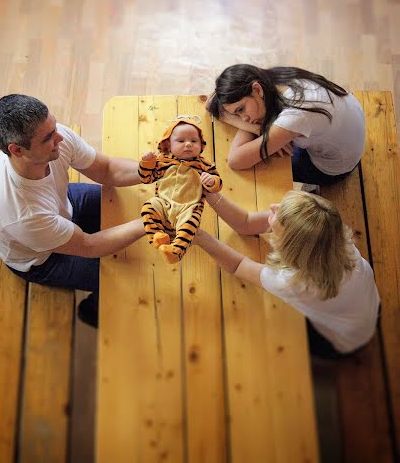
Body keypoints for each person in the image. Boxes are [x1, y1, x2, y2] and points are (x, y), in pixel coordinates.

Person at [0, 94, 145, 328]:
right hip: (41, 257)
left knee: (128, 206)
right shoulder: (22, 213)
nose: (60, 136)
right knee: (121, 277)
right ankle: (93, 311)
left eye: (54, 126)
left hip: (62, 206)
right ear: (17, 150)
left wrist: (152, 169)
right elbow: (89, 246)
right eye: (48, 137)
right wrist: (148, 221)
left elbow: (107, 169)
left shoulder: (54, 136)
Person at [195, 188, 380, 358]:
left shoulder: (295, 283)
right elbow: (245, 223)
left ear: (288, 242)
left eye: (277, 217)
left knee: (267, 330)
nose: (272, 207)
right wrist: (211, 195)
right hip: (367, 309)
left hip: (342, 341)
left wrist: (201, 237)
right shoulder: (329, 233)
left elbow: (238, 266)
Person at [206, 64, 365, 185]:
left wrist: (234, 120)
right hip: (348, 130)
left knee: (266, 168)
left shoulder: (297, 115)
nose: (243, 118)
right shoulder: (270, 78)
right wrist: (258, 128)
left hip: (334, 167)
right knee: (267, 142)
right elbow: (211, 102)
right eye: (236, 114)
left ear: (257, 89)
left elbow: (235, 160)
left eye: (241, 109)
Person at [139, 117, 222, 264]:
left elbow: (218, 183)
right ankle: (157, 236)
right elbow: (146, 178)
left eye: (194, 141)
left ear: (201, 144)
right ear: (168, 145)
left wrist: (211, 181)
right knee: (148, 207)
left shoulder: (203, 165)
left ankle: (176, 251)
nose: (188, 144)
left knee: (190, 226)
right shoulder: (162, 162)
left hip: (189, 207)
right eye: (181, 141)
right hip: (163, 203)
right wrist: (147, 163)